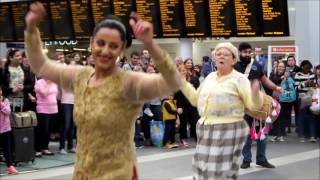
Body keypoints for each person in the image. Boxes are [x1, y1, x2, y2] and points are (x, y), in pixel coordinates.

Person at [25, 2, 181, 179]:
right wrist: (31, 29)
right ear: (91, 43)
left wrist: (151, 45)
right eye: (100, 43)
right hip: (83, 173)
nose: (105, 51)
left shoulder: (129, 83)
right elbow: (41, 65)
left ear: (122, 50)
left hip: (118, 174)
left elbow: (173, 82)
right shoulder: (80, 76)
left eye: (114, 46)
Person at [180, 42, 263, 179]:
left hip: (228, 129)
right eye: (218, 54)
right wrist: (182, 83)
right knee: (200, 169)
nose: (221, 56)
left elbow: (253, 106)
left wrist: (255, 94)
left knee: (219, 173)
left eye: (226, 54)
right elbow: (195, 99)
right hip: (205, 128)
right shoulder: (210, 77)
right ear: (214, 58)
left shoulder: (239, 79)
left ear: (233, 59)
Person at [234, 42, 281, 169]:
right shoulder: (234, 66)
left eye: (249, 52)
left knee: (263, 132)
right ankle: (246, 160)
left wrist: (275, 87)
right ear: (239, 53)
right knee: (246, 134)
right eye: (245, 52)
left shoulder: (256, 64)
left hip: (258, 103)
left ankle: (261, 159)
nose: (248, 54)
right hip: (243, 106)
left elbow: (264, 79)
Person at [269, 62, 296, 142]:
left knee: (282, 117)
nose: (281, 68)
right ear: (277, 67)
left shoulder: (288, 74)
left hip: (284, 99)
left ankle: (281, 135)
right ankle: (275, 134)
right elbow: (272, 81)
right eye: (279, 66)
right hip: (275, 98)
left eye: (282, 66)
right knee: (275, 116)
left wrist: (287, 78)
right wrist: (281, 78)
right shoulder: (273, 73)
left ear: (285, 68)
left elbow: (291, 84)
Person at [34, 78, 59, 156]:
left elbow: (57, 95)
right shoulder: (39, 82)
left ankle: (45, 148)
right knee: (43, 129)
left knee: (49, 130)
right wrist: (49, 84)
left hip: (54, 109)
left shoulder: (55, 83)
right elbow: (44, 93)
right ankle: (38, 149)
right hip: (43, 109)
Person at [294, 60, 317, 142]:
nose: (307, 70)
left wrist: (313, 84)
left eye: (309, 68)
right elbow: (296, 88)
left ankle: (312, 136)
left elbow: (315, 85)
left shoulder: (312, 75)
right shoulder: (298, 75)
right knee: (302, 117)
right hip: (302, 99)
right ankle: (301, 135)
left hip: (311, 98)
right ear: (302, 67)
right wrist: (305, 84)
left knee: (312, 117)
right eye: (306, 68)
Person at [0, 86, 18, 174]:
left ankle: (10, 166)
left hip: (5, 129)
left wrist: (0, 103)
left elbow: (8, 112)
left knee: (7, 149)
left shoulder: (5, 101)